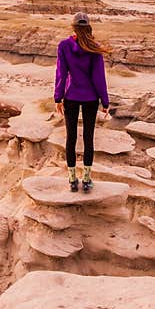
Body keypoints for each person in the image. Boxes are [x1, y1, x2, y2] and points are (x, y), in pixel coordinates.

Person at [54, 12, 111, 193]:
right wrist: (105, 100)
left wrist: (58, 97)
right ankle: (86, 180)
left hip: (71, 96)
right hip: (91, 98)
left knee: (71, 138)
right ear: (88, 27)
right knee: (88, 137)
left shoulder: (64, 46)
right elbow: (99, 77)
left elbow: (61, 73)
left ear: (73, 28)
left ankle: (72, 179)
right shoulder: (94, 48)